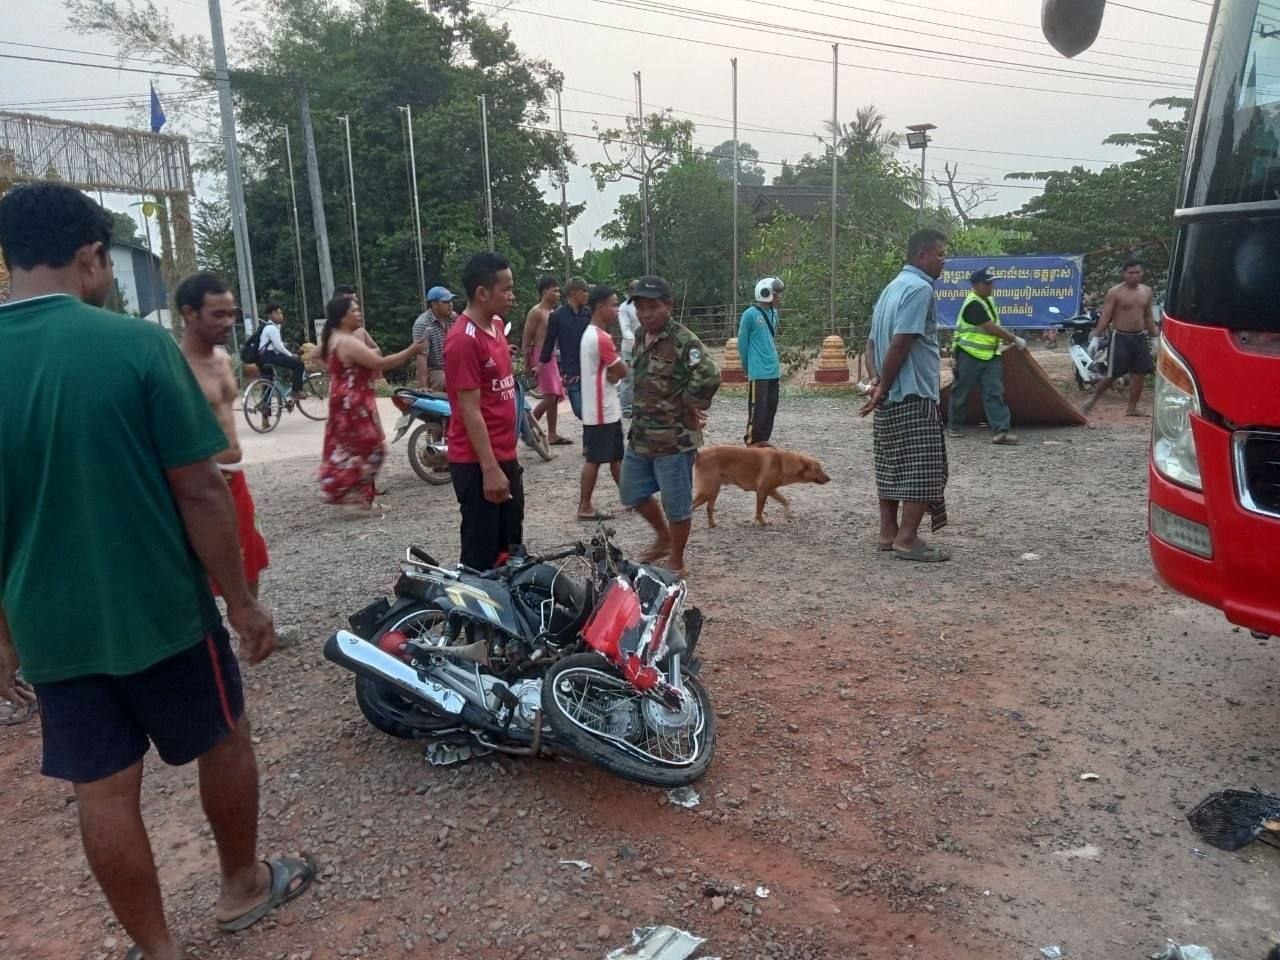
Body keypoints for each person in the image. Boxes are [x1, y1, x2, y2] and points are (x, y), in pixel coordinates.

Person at [0, 182, 313, 960]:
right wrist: (241, 602)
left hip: (52, 629)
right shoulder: (134, 346)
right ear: (89, 256)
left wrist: (3, 636)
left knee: (103, 788)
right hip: (161, 610)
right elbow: (201, 488)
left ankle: (157, 948)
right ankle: (241, 886)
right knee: (224, 738)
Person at [860, 228, 951, 563]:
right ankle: (907, 539)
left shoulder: (890, 289)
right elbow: (901, 342)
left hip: (888, 395)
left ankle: (888, 532)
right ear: (921, 256)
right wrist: (883, 385)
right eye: (940, 254)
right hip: (913, 392)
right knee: (923, 468)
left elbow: (870, 344)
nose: (943, 261)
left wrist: (876, 381)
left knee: (890, 464)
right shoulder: (919, 289)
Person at [178, 272, 270, 598]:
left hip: (236, 475)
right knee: (202, 567)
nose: (228, 322)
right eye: (218, 314)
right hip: (203, 479)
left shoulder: (222, 358)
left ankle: (248, 619)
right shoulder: (175, 367)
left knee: (248, 560)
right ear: (189, 313)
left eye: (231, 313)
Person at [622, 276, 721, 574]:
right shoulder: (640, 335)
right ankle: (663, 537)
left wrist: (691, 401)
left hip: (674, 439)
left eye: (653, 307)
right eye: (640, 307)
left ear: (668, 305)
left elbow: (710, 373)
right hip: (641, 435)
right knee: (631, 492)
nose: (646, 314)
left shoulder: (683, 341)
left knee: (675, 504)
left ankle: (676, 559)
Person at [445, 252, 522, 570]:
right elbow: (469, 410)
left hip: (505, 455)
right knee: (481, 556)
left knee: (511, 550)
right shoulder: (463, 341)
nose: (512, 296)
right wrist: (489, 469)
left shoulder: (498, 326)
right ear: (482, 293)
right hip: (477, 463)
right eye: (507, 289)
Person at [317, 293, 424, 511]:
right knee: (374, 449)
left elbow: (315, 354)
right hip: (353, 404)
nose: (359, 313)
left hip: (342, 401)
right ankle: (346, 492)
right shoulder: (347, 342)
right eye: (354, 310)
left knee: (348, 450)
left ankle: (355, 496)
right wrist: (411, 351)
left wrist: (337, 372)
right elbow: (380, 363)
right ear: (343, 316)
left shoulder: (332, 337)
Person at [947, 267, 1027, 445]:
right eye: (987, 284)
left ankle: (1001, 431)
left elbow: (992, 326)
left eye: (991, 283)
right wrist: (1014, 339)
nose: (991, 287)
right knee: (961, 391)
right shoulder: (973, 304)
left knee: (994, 392)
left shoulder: (988, 300)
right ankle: (954, 426)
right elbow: (990, 327)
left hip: (990, 355)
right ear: (975, 285)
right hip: (969, 354)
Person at [1081, 257, 1159, 417]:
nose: (1134, 276)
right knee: (1112, 374)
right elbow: (1106, 316)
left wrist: (1154, 337)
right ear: (1124, 274)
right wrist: (1096, 337)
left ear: (1142, 273)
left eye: (1138, 272)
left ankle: (1132, 408)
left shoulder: (1146, 291)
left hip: (1140, 337)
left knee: (1140, 373)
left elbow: (1148, 317)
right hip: (1120, 338)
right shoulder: (1115, 292)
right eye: (1131, 273)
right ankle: (1093, 399)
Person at [577, 284, 629, 521]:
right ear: (600, 307)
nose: (617, 309)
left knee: (616, 456)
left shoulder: (591, 334)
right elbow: (622, 369)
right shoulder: (600, 337)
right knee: (595, 459)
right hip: (600, 410)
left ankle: (630, 497)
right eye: (614, 305)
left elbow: (613, 371)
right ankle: (584, 505)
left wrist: (613, 374)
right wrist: (615, 374)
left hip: (605, 407)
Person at [522, 275, 572, 445]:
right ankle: (526, 429)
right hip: (540, 357)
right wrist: (527, 363)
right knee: (549, 397)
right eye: (555, 290)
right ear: (544, 291)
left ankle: (552, 434)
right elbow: (526, 338)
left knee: (555, 396)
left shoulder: (552, 313)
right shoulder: (536, 311)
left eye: (559, 291)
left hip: (550, 357)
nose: (558, 294)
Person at [739, 276, 784, 446]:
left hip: (773, 369)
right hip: (758, 370)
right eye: (776, 294)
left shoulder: (774, 313)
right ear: (766, 294)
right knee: (758, 407)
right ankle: (752, 441)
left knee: (771, 407)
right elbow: (742, 342)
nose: (779, 297)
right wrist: (746, 366)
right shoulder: (749, 314)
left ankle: (764, 440)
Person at [541, 275, 592, 421]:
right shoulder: (557, 316)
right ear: (574, 292)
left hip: (591, 371)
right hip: (572, 373)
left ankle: (594, 434)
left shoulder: (590, 314)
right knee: (579, 410)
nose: (587, 294)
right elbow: (549, 343)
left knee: (592, 412)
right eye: (584, 290)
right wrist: (539, 366)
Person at [255, 302, 305, 396]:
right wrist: (291, 355)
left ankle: (265, 404)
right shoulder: (272, 328)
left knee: (268, 382)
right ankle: (296, 391)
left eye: (280, 313)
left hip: (261, 357)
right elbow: (278, 347)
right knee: (299, 364)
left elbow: (274, 343)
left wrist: (283, 344)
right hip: (270, 356)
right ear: (270, 315)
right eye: (277, 313)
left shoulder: (268, 327)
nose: (280, 315)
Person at [412, 285, 456, 391]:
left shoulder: (454, 317)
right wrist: (423, 386)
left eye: (451, 301)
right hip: (434, 369)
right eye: (445, 302)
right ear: (434, 304)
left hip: (454, 366)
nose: (450, 304)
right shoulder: (422, 323)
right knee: (451, 382)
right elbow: (421, 357)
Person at [617, 280, 640, 417]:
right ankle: (626, 408)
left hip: (644, 346)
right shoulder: (624, 307)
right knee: (628, 378)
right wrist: (636, 342)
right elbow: (625, 329)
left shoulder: (643, 305)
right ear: (630, 292)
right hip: (629, 348)